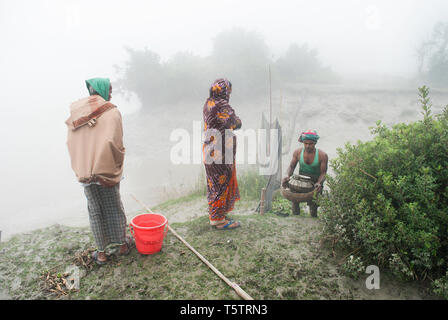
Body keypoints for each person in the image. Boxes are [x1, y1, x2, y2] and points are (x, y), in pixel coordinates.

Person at [65, 77, 131, 264]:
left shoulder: (76, 113)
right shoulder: (111, 112)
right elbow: (114, 143)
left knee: (95, 210)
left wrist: (82, 168)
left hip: (85, 171)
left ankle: (101, 254)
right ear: (102, 90)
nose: (111, 93)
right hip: (105, 169)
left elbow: (71, 143)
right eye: (109, 90)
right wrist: (114, 167)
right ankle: (122, 246)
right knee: (114, 207)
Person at [203, 78, 242, 229]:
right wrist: (236, 121)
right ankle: (219, 220)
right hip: (220, 152)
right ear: (224, 91)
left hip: (209, 150)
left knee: (213, 184)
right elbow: (236, 123)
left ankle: (216, 213)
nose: (229, 95)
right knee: (221, 184)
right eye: (229, 92)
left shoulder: (208, 104)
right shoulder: (222, 105)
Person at [282, 129, 328, 217]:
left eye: (310, 144)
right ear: (303, 143)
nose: (307, 146)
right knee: (295, 200)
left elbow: (323, 173)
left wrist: (319, 183)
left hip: (315, 181)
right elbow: (291, 166)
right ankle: (296, 218)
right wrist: (287, 175)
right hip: (301, 180)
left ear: (315, 143)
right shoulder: (298, 152)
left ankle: (313, 218)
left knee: (314, 205)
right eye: (305, 143)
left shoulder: (322, 155)